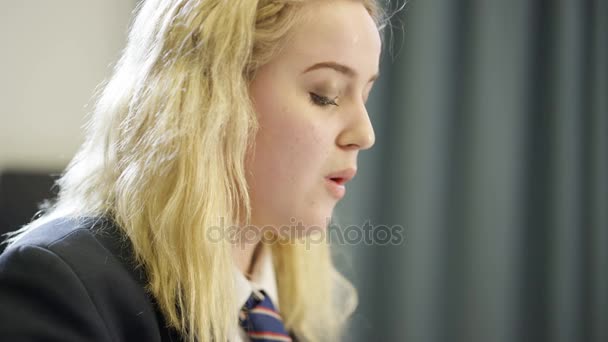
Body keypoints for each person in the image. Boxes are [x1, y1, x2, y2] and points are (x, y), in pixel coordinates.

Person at [0, 0, 387, 341]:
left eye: (365, 96)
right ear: (212, 100)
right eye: (326, 94)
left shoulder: (291, 308)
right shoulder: (61, 286)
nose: (365, 134)